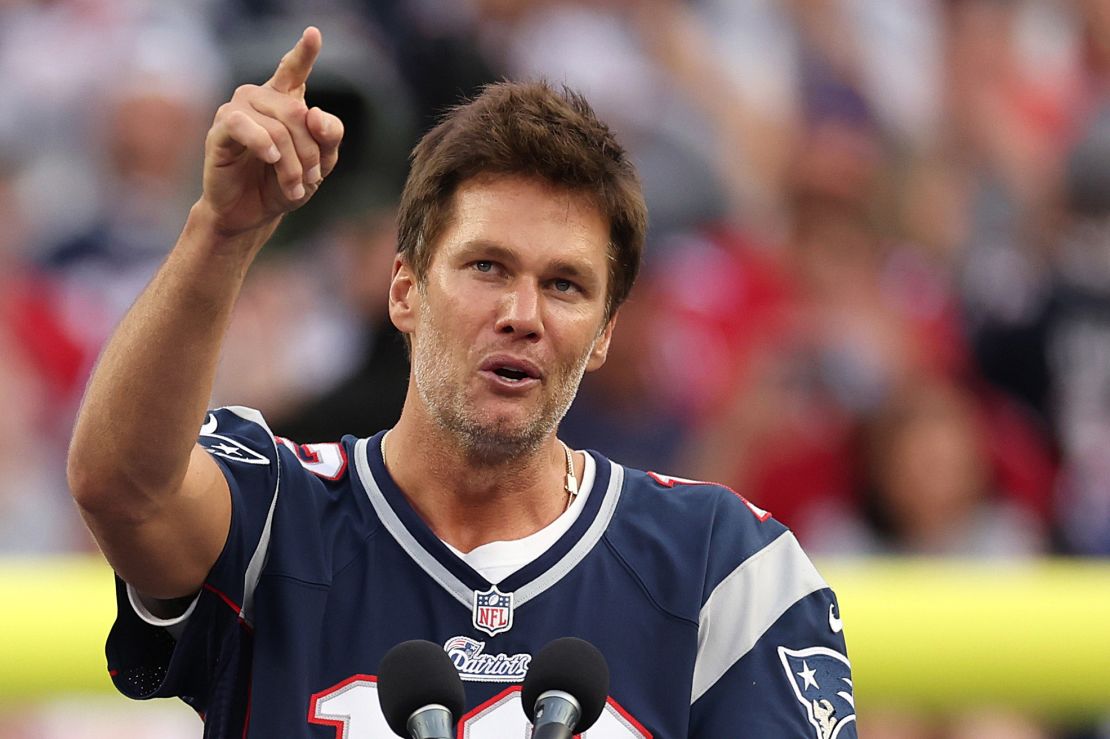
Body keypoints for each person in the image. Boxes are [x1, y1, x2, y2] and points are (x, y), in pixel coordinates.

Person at [67, 27, 856, 738]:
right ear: (405, 290)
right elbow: (120, 485)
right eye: (487, 266)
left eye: (566, 285)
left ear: (607, 330)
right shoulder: (279, 512)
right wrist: (222, 230)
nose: (522, 314)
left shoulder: (724, 565)